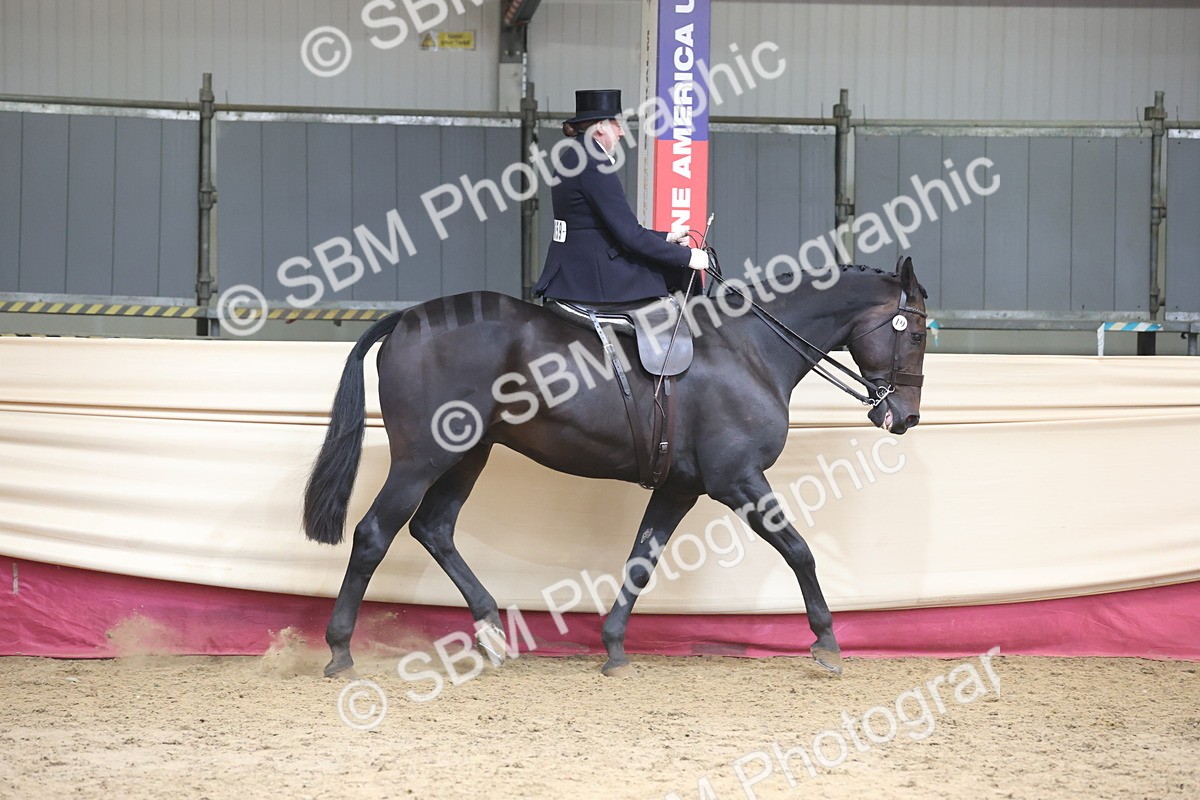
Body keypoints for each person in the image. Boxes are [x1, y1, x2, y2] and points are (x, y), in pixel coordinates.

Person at [533, 89, 709, 305]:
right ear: (600, 127)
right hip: (592, 270)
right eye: (617, 125)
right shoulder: (593, 162)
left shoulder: (575, 155)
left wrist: (666, 237)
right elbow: (629, 235)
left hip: (575, 262)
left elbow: (600, 226)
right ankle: (682, 338)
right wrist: (688, 257)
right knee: (681, 271)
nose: (622, 132)